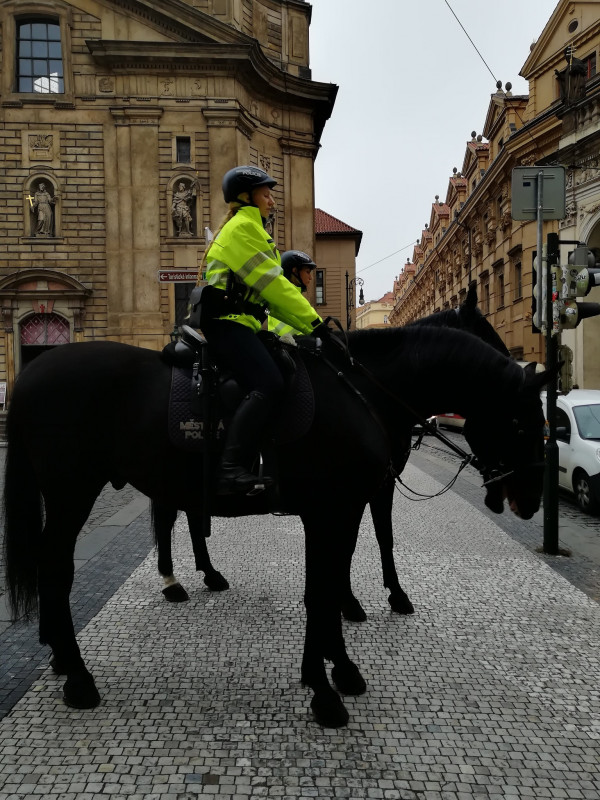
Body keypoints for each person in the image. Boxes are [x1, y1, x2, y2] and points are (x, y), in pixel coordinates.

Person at [200, 165, 326, 496]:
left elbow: (271, 301)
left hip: (241, 322)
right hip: (227, 323)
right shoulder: (243, 228)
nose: (272, 201)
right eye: (266, 194)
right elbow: (274, 286)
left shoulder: (251, 229)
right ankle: (229, 469)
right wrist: (316, 324)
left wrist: (313, 328)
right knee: (268, 382)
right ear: (246, 197)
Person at [268, 250, 317, 338]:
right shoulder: (285, 299)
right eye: (307, 272)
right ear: (295, 271)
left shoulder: (292, 297)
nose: (311, 277)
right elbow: (292, 335)